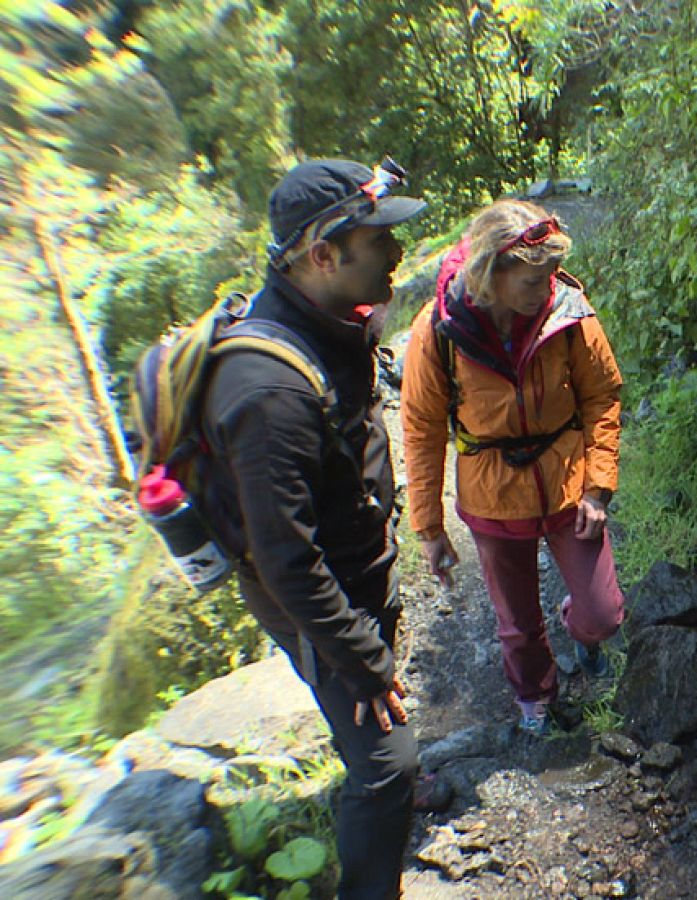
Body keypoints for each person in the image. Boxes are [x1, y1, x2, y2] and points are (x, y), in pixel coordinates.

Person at [198, 158, 424, 900]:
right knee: (388, 763)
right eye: (378, 240)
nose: (396, 252)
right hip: (318, 593)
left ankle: (374, 769)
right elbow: (288, 563)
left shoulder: (331, 320)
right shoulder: (265, 392)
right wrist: (363, 659)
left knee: (376, 725)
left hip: (358, 564)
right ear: (323, 255)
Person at [400, 199, 625, 735]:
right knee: (517, 624)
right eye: (532, 280)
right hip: (492, 496)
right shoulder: (438, 330)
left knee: (603, 615)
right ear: (491, 275)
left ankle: (580, 632)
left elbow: (602, 395)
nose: (547, 288)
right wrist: (429, 527)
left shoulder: (568, 311)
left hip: (568, 482)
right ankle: (535, 698)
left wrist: (597, 487)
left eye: (551, 275)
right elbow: (422, 429)